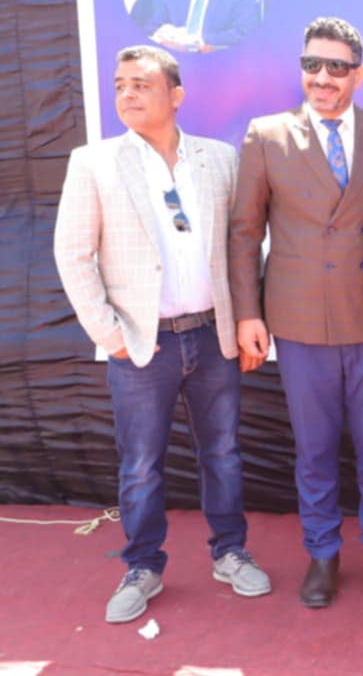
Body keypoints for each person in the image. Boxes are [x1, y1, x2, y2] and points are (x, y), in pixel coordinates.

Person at [53, 45, 270, 624]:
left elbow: (245, 246)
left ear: (176, 95)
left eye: (141, 85)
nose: (127, 94)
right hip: (142, 345)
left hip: (213, 336)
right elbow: (72, 255)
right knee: (141, 465)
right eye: (120, 85)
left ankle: (230, 552)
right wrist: (112, 336)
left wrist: (247, 318)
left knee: (222, 453)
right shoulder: (94, 163)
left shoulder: (219, 159)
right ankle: (142, 565)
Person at [229, 17, 363, 608]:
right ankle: (323, 553)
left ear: (359, 73)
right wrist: (248, 313)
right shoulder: (267, 135)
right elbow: (244, 232)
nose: (323, 78)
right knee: (314, 448)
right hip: (299, 321)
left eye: (336, 66)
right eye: (312, 65)